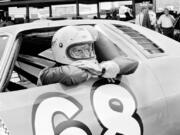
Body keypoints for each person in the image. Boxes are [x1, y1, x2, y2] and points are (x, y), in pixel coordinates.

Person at [37, 25, 138, 86]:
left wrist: (105, 67)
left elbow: (132, 63)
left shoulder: (95, 67)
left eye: (88, 49)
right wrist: (97, 71)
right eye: (78, 51)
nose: (85, 54)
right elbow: (70, 74)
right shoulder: (45, 74)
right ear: (61, 51)